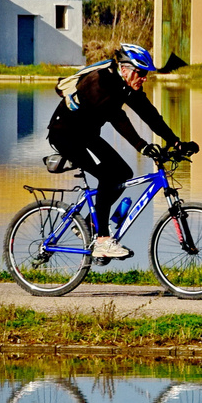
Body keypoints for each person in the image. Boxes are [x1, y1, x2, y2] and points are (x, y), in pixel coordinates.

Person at [46, 43, 183, 260]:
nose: (144, 78)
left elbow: (150, 114)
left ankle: (92, 223)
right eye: (141, 73)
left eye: (146, 74)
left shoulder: (125, 86)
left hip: (87, 136)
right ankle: (102, 240)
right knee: (108, 176)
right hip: (67, 136)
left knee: (123, 173)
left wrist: (175, 141)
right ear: (126, 69)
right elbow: (117, 118)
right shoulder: (101, 82)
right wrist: (141, 146)